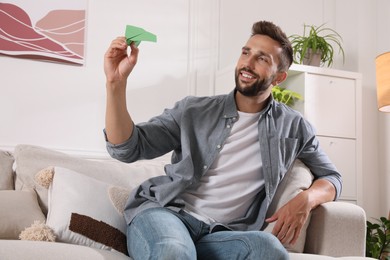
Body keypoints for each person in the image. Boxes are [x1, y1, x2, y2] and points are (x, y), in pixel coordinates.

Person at [103, 20, 342, 260]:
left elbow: (331, 178)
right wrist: (115, 83)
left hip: (223, 235)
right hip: (167, 216)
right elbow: (128, 148)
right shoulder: (194, 110)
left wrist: (306, 199)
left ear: (279, 77)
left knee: (269, 250)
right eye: (246, 52)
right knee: (175, 251)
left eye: (262, 59)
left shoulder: (293, 126)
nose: (247, 63)